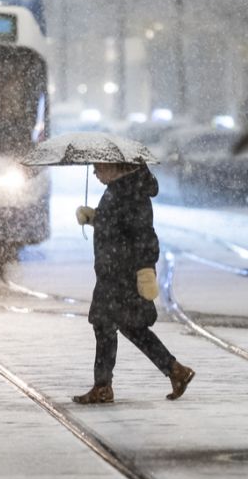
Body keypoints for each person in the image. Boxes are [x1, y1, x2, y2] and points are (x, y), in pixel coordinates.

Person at [72, 161, 195, 404]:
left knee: (107, 326)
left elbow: (143, 236)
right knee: (129, 327)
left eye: (99, 168)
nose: (95, 173)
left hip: (122, 273)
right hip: (113, 271)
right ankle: (175, 371)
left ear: (115, 167)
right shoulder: (119, 188)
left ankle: (103, 386)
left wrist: (146, 271)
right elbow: (118, 226)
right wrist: (94, 217)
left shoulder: (132, 193)